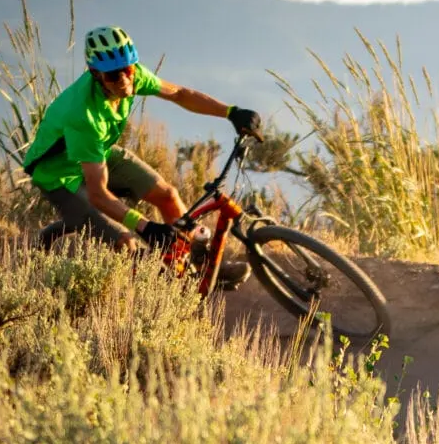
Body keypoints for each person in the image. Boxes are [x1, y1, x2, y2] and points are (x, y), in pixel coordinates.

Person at [21, 24, 260, 276]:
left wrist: (231, 112)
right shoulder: (84, 115)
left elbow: (179, 94)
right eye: (113, 75)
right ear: (96, 74)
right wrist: (146, 227)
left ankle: (204, 269)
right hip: (58, 177)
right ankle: (70, 227)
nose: (124, 79)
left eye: (127, 69)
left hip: (96, 153)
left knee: (168, 195)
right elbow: (98, 194)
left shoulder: (133, 75)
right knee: (126, 242)